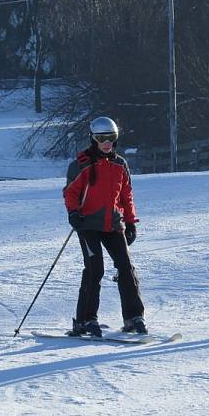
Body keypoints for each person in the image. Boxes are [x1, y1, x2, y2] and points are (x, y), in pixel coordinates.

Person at [62, 116, 147, 337]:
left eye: (111, 138)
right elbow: (70, 192)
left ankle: (133, 317)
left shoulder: (120, 164)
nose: (106, 143)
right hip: (88, 225)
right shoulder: (82, 164)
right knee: (95, 269)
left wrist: (130, 222)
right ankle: (85, 320)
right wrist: (73, 214)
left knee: (126, 268)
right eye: (101, 138)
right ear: (93, 139)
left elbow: (127, 195)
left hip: (113, 225)